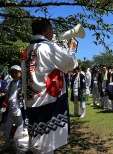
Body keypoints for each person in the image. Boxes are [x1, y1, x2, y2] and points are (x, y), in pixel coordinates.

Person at [21, 18, 79, 153]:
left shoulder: (27, 50)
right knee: (46, 145)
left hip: (32, 100)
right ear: (46, 30)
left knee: (37, 142)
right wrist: (71, 49)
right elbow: (70, 64)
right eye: (52, 30)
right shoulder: (47, 47)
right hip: (48, 101)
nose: (53, 33)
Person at [0, 65, 24, 153]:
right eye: (12, 72)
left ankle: (20, 148)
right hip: (10, 111)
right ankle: (7, 144)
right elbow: (7, 95)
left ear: (20, 73)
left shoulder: (23, 84)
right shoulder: (11, 83)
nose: (14, 74)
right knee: (6, 129)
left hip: (19, 111)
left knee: (21, 130)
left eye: (16, 72)